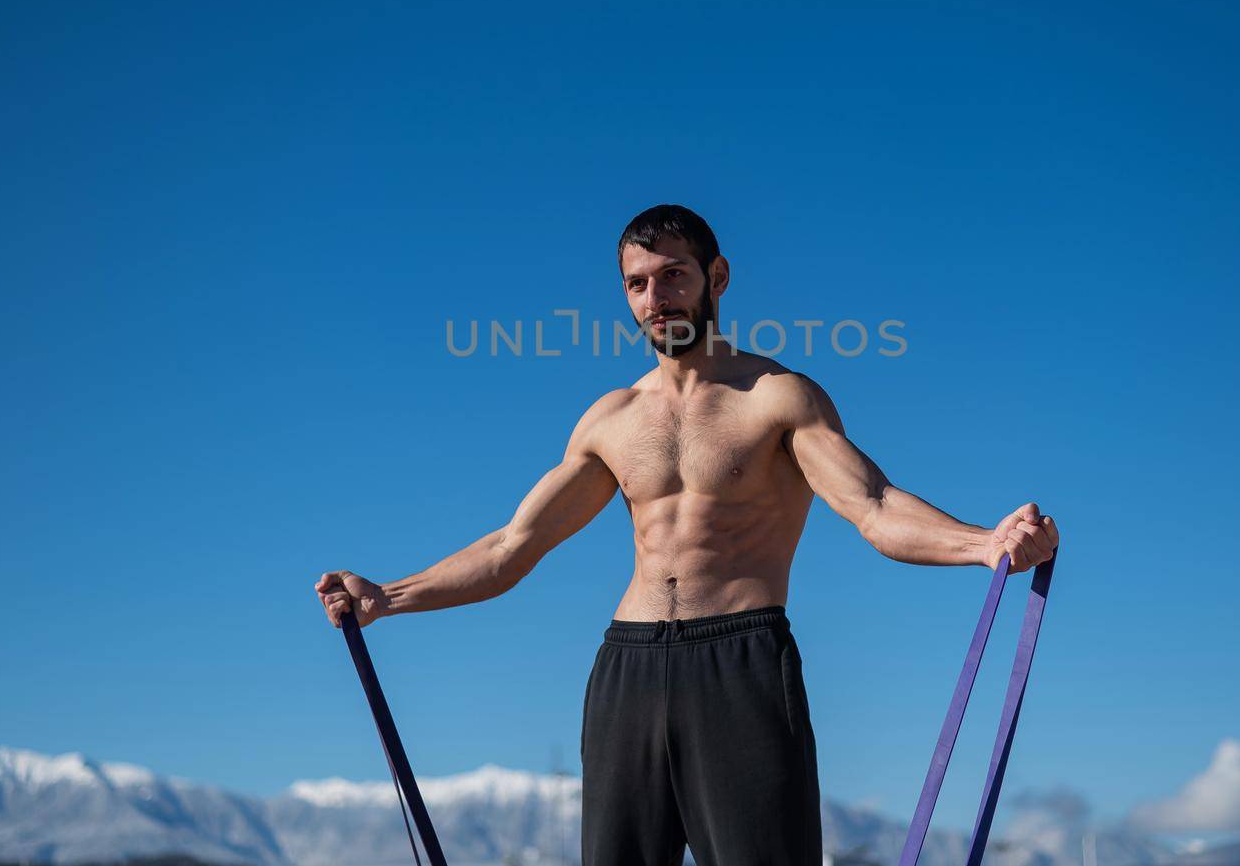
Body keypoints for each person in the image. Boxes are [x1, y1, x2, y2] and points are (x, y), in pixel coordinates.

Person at [315, 203, 1060, 866]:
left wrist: (984, 542)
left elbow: (871, 504)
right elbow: (514, 547)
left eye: (673, 276)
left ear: (717, 276)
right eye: (637, 283)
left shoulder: (776, 398)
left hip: (740, 663)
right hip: (627, 671)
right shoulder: (610, 420)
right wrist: (388, 595)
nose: (654, 297)